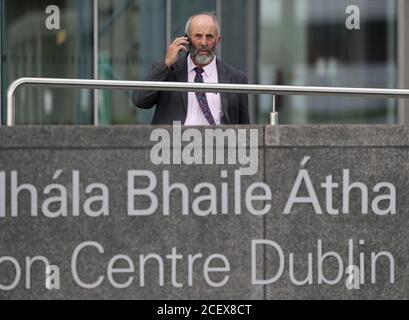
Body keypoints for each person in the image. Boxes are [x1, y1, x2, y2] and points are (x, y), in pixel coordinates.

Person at [132, 12, 250, 125]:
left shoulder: (236, 78)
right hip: (172, 142)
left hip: (217, 143)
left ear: (217, 41)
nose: (204, 42)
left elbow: (245, 128)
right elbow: (140, 100)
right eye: (198, 36)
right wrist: (166, 63)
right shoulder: (168, 71)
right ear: (186, 39)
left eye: (209, 37)